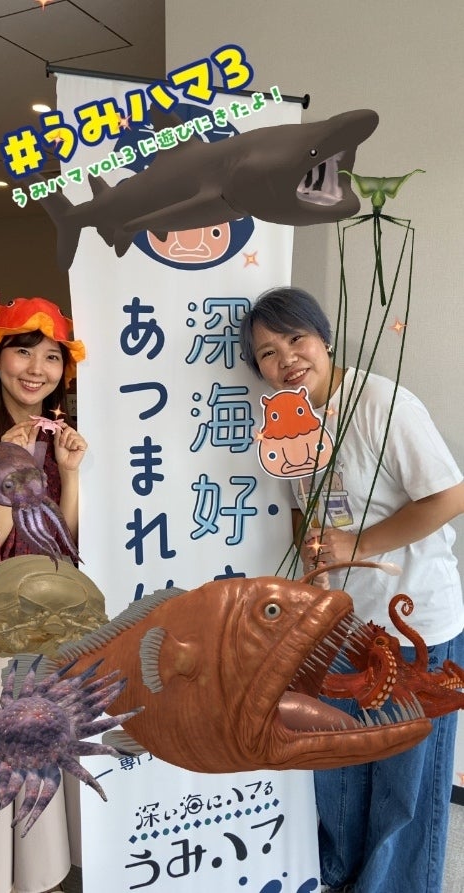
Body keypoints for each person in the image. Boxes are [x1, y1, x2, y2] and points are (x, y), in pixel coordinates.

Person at [239, 285, 464, 893]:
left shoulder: (380, 403)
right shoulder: (285, 419)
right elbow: (302, 510)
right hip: (338, 623)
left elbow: (450, 496)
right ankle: (336, 876)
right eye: (267, 353)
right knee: (339, 766)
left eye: (296, 339)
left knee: (403, 781)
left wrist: (358, 544)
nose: (286, 359)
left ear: (325, 337)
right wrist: (312, 554)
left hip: (413, 624)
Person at [0, 297, 87, 893]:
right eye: (23, 352)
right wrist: (8, 467)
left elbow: (68, 544)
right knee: (1, 746)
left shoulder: (64, 440)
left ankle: (47, 872)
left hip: (55, 608)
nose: (37, 369)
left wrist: (69, 474)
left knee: (53, 745)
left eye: (52, 357)